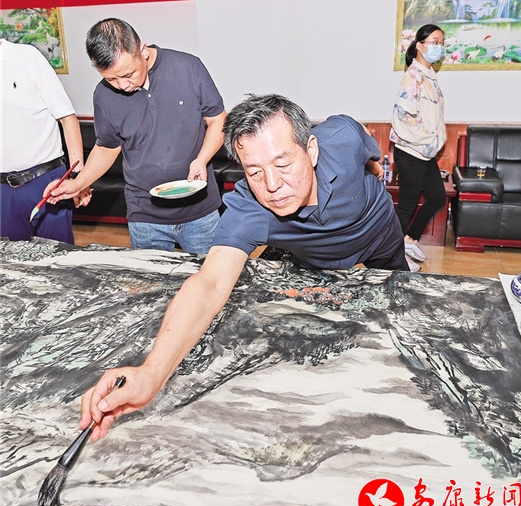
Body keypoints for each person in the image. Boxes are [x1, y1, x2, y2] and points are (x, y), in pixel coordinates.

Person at [78, 93, 409, 441]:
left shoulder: (341, 138)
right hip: (317, 261)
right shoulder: (249, 210)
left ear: (311, 150)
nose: (272, 185)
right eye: (255, 172)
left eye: (283, 164)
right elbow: (209, 286)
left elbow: (362, 137)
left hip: (379, 234)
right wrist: (151, 374)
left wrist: (372, 167)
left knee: (403, 302)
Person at [45, 18, 227, 254]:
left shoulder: (187, 68)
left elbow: (218, 120)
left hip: (199, 211)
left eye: (128, 74)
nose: (122, 85)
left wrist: (201, 160)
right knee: (149, 277)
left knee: (211, 274)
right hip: (144, 216)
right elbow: (107, 147)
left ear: (143, 50)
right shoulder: (103, 95)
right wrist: (79, 182)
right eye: (111, 78)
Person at [0, 38, 90, 244]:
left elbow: (68, 119)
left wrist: (78, 179)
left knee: (59, 257)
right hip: (3, 192)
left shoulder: (27, 57)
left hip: (46, 182)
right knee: (11, 261)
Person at [391, 24, 447, 272]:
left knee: (437, 197)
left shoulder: (429, 76)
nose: (439, 47)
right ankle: (394, 256)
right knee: (407, 205)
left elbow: (433, 117)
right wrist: (427, 138)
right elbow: (403, 116)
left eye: (442, 43)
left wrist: (434, 140)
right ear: (419, 45)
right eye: (434, 42)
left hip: (425, 151)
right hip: (411, 151)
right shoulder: (413, 77)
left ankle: (409, 239)